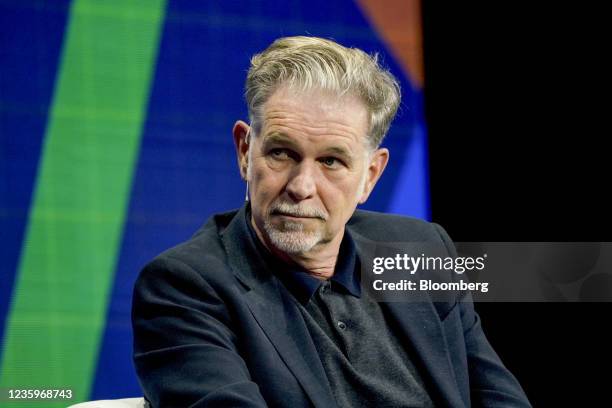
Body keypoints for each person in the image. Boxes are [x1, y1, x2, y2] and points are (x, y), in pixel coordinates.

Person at [132, 36, 531, 407]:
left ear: (370, 176)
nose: (302, 186)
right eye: (282, 153)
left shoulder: (419, 248)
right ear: (244, 151)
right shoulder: (183, 289)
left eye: (331, 161)